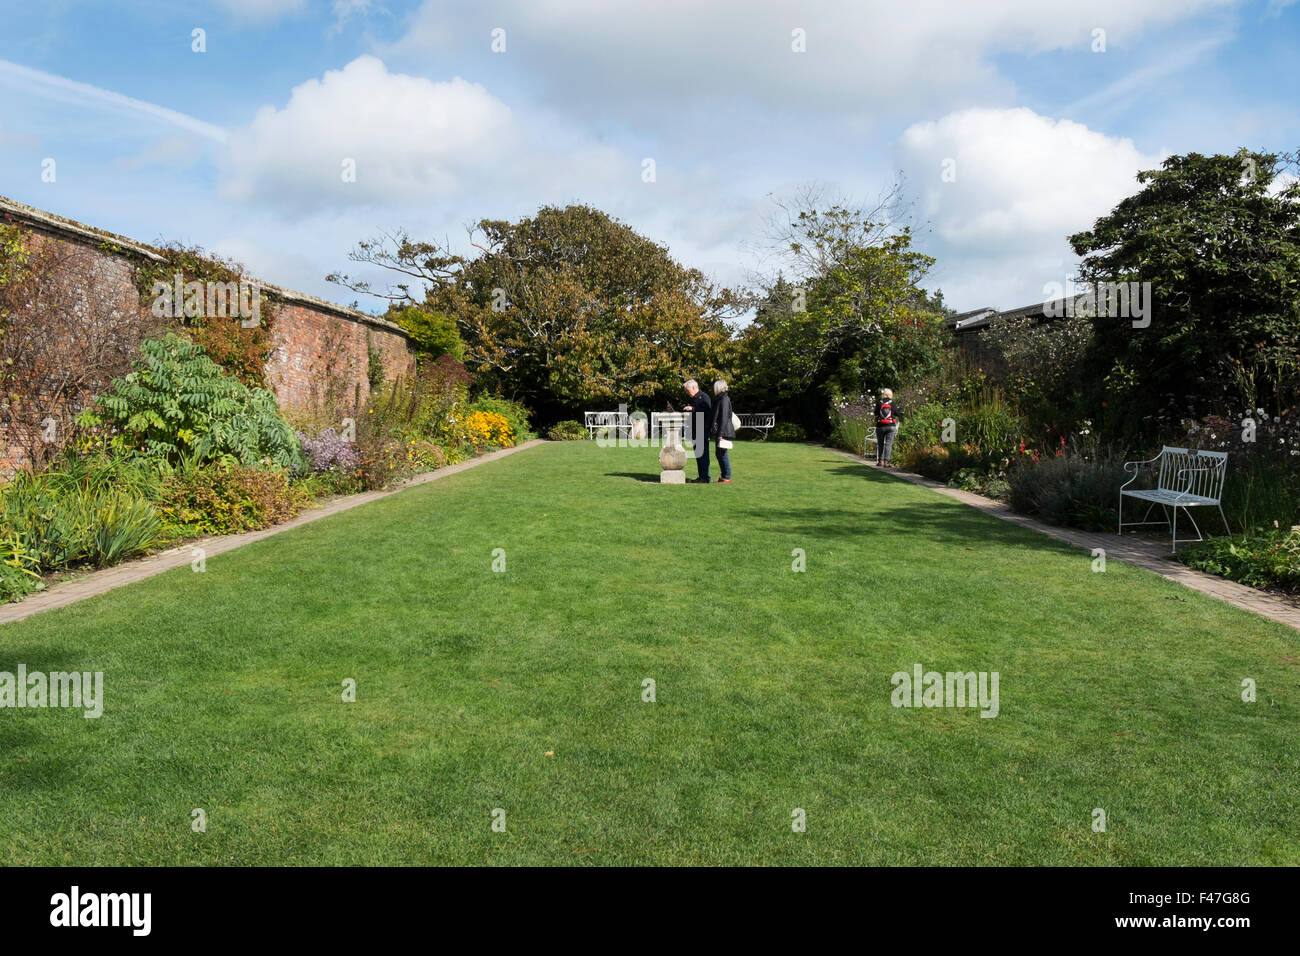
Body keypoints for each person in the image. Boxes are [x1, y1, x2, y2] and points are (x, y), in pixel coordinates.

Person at [682, 379, 712, 483]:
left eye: (687, 390)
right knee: (698, 455)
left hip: (702, 430)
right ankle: (702, 477)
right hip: (696, 429)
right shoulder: (696, 398)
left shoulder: (704, 397)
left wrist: (693, 409)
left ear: (694, 388)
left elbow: (708, 412)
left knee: (703, 455)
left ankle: (705, 477)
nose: (687, 392)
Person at [711, 379, 737, 483]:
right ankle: (724, 476)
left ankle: (726, 476)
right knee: (720, 454)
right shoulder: (721, 399)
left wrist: (720, 433)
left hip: (723, 431)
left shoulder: (724, 399)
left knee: (722, 454)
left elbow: (724, 418)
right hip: (722, 431)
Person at [875, 388, 900, 467]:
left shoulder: (879, 403)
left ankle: (879, 461)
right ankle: (886, 462)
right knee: (888, 444)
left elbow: (875, 413)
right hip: (890, 426)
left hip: (880, 426)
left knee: (880, 444)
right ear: (889, 395)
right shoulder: (892, 403)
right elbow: (896, 413)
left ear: (884, 395)